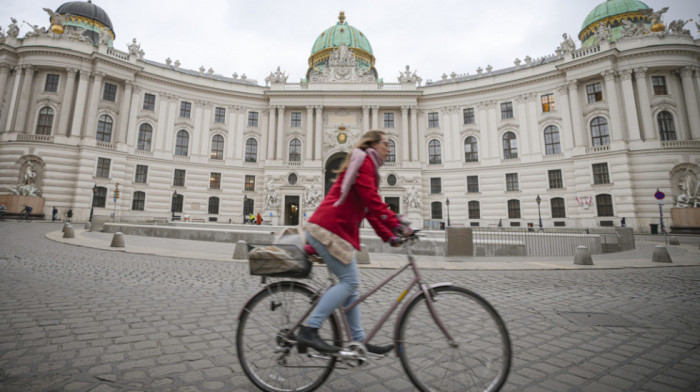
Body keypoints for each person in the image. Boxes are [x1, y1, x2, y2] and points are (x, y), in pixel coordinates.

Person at [297, 130, 412, 355]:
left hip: (334, 231)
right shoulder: (365, 161)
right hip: (327, 230)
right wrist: (398, 225)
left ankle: (358, 341)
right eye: (386, 144)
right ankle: (309, 329)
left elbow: (368, 209)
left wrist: (390, 236)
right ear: (374, 144)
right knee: (349, 282)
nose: (389, 149)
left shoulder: (367, 164)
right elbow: (372, 201)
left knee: (350, 287)